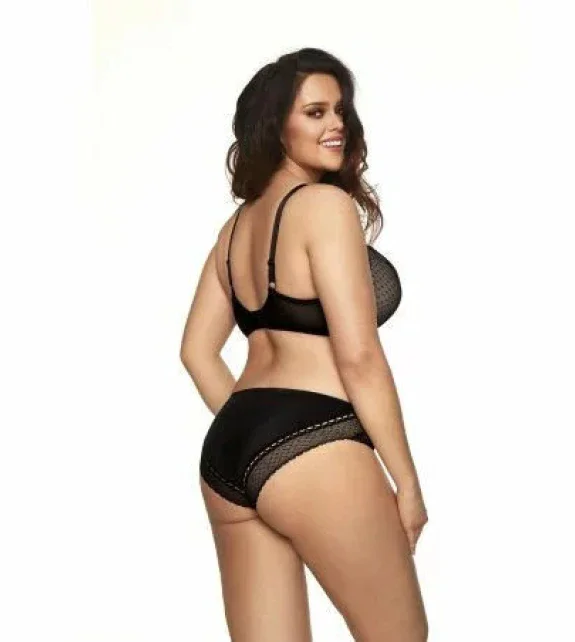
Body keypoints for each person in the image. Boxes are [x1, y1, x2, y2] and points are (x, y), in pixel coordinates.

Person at [180, 47, 429, 641]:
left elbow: (195, 351)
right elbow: (358, 357)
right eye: (315, 112)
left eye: (340, 110)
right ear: (275, 127)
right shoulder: (324, 207)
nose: (336, 124)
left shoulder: (233, 230)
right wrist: (407, 481)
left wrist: (257, 428)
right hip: (315, 441)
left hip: (229, 452)